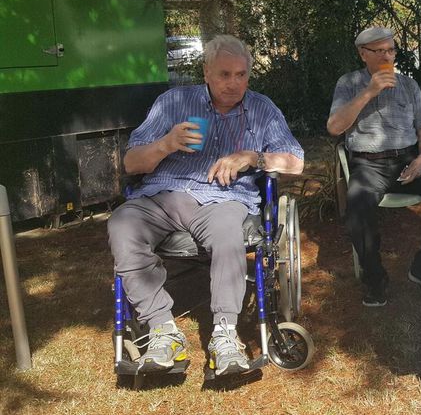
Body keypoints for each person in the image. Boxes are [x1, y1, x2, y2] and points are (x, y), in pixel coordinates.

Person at [108, 35, 305, 376]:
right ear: (206, 73)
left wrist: (252, 157)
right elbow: (131, 162)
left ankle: (225, 335)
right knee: (122, 224)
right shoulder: (173, 101)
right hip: (163, 196)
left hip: (224, 199)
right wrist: (166, 144)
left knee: (229, 229)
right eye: (224, 74)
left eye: (241, 75)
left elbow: (296, 162)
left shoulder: (261, 108)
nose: (233, 84)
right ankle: (161, 330)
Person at [327, 26, 421, 307]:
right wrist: (369, 92)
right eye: (380, 51)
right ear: (363, 54)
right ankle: (375, 279)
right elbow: (335, 127)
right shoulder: (348, 83)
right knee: (357, 210)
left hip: (408, 160)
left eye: (391, 50)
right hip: (368, 164)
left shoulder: (409, 85)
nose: (388, 56)